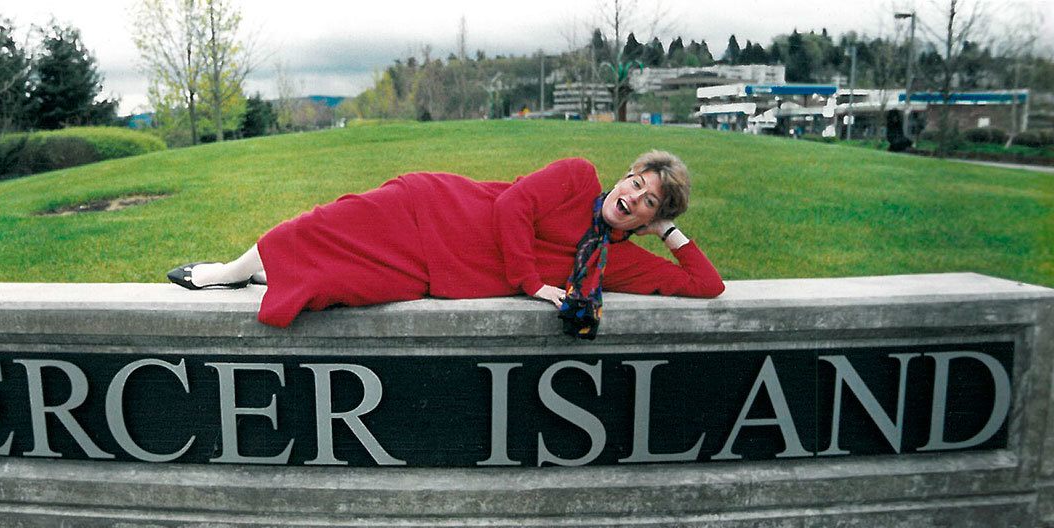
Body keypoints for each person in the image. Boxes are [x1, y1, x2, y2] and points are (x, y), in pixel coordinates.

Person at [168, 151, 724, 337]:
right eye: (636, 183)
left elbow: (707, 286)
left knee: (344, 285)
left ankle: (266, 277)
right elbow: (513, 207)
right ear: (624, 176)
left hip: (440, 274)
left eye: (650, 201)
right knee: (318, 228)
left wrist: (669, 234)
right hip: (431, 209)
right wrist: (533, 284)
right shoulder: (576, 177)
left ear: (651, 217)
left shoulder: (616, 261)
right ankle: (231, 270)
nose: (633, 198)